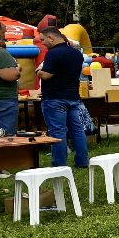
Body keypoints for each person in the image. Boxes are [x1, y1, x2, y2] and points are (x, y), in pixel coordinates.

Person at [36, 27, 90, 173]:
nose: (43, 43)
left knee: (57, 132)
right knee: (77, 131)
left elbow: (47, 75)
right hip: (73, 97)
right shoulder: (76, 54)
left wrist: (38, 72)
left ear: (51, 38)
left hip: (54, 98)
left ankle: (59, 166)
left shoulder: (53, 54)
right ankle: (82, 161)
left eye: (43, 40)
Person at [0, 19, 22, 146]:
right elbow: (10, 76)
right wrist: (17, 69)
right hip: (0, 98)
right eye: (2, 31)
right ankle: (2, 164)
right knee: (3, 139)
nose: (4, 35)